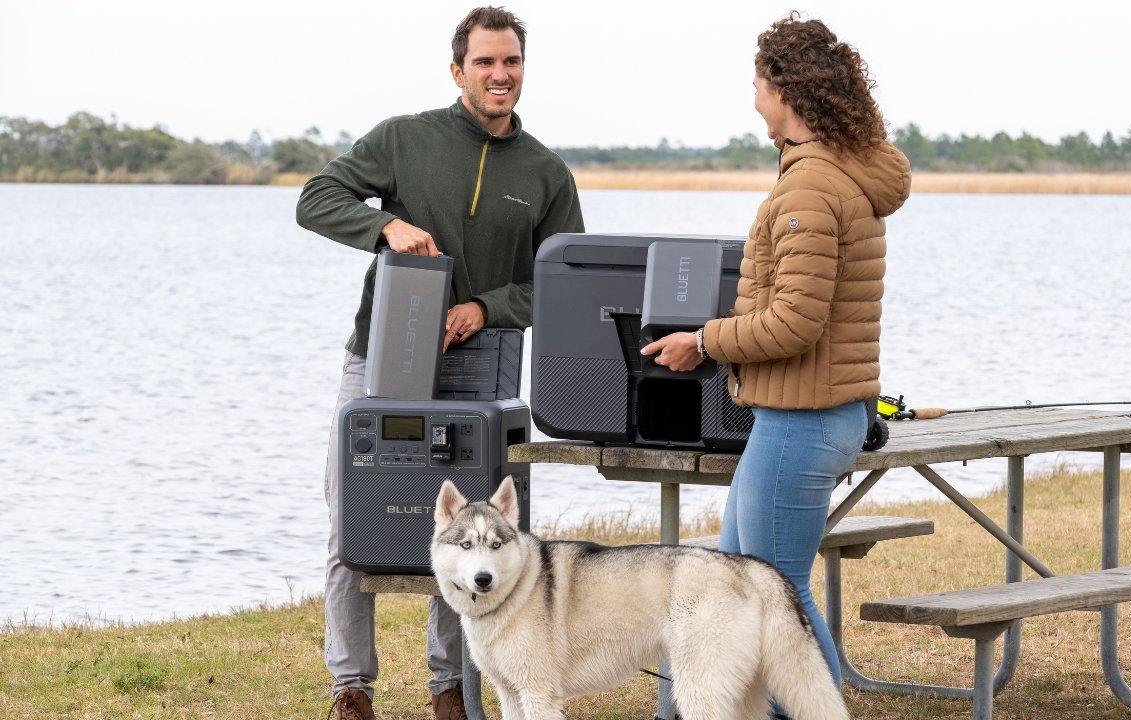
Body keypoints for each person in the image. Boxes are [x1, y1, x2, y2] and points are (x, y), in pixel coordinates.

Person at [296, 7, 584, 720]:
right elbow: (315, 199)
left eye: (510, 62)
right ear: (458, 70)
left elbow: (562, 282)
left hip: (482, 357)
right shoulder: (403, 138)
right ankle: (350, 688)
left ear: (523, 68)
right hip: (383, 352)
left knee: (478, 531)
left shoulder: (547, 173)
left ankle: (451, 686)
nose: (499, 75)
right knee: (351, 520)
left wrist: (486, 308)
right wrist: (383, 225)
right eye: (485, 62)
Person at [641, 12, 910, 691]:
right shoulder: (831, 173)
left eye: (758, 84)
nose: (754, 97)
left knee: (776, 593)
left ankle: (816, 707)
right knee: (733, 586)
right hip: (807, 417)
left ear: (785, 93)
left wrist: (702, 341)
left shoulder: (811, 187)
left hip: (802, 423)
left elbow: (794, 322)